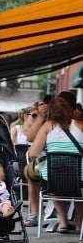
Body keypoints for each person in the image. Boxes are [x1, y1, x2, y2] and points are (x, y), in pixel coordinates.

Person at [28, 97, 83, 233]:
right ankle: (78, 226)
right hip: (79, 178)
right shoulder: (81, 124)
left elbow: (33, 153)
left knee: (54, 180)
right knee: (81, 192)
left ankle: (63, 222)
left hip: (54, 180)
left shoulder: (48, 125)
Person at [10, 106, 41, 227]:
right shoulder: (16, 129)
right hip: (20, 164)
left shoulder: (40, 131)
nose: (36, 118)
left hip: (34, 164)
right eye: (34, 115)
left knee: (35, 170)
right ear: (26, 116)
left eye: (38, 116)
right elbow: (11, 143)